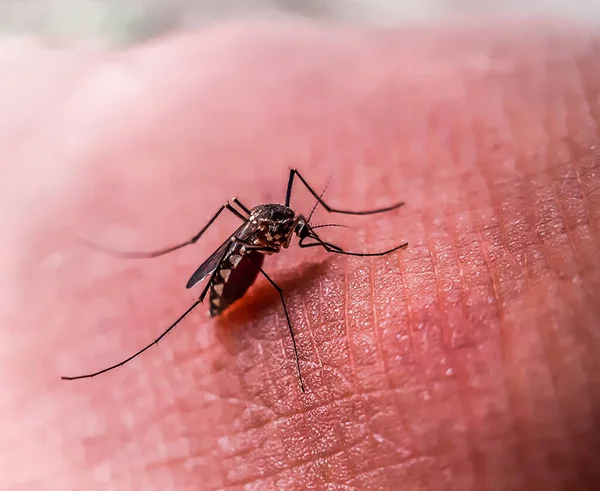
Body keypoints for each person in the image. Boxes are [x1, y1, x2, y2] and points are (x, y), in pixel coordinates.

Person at [2, 19, 599, 490]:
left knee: (266, 243)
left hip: (249, 245)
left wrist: (338, 227)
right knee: (261, 273)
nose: (304, 235)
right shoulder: (267, 233)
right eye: (305, 230)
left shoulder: (285, 220)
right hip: (235, 270)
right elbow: (250, 246)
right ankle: (158, 328)